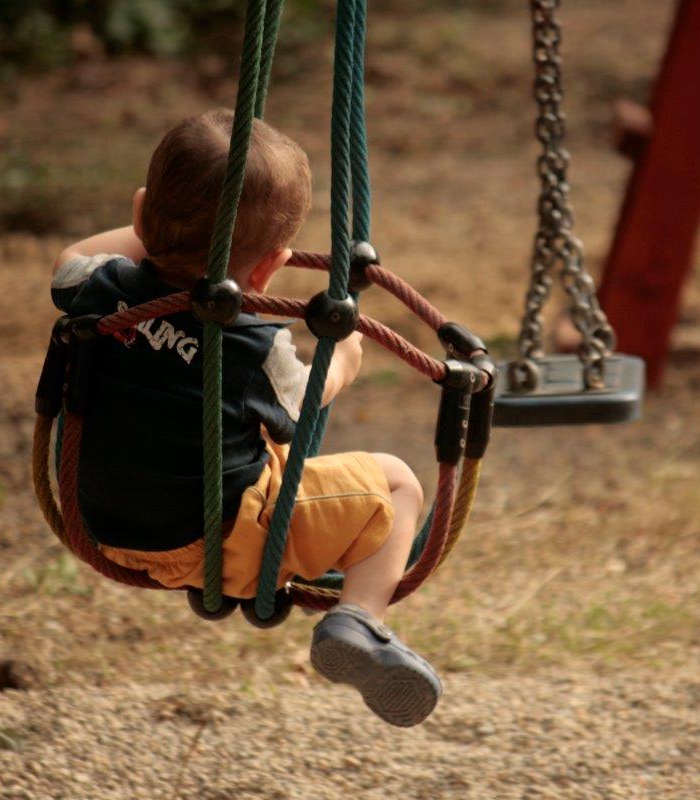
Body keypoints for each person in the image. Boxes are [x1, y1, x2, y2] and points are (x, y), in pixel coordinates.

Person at [49, 109, 441, 727]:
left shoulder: (98, 291)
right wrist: (344, 351)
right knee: (397, 483)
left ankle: (325, 578)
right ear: (269, 268)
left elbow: (71, 256)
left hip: (103, 521)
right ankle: (360, 618)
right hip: (216, 536)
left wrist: (151, 233)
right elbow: (308, 399)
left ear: (140, 213)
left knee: (267, 462)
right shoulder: (253, 347)